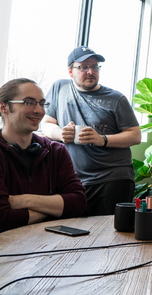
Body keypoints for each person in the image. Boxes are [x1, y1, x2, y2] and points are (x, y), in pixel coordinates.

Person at [41, 46, 141, 216]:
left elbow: (135, 135)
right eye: (83, 67)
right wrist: (61, 134)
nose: (90, 72)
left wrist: (102, 139)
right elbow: (47, 123)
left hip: (112, 178)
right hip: (74, 180)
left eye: (95, 67)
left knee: (107, 234)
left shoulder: (116, 99)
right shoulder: (59, 88)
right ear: (70, 71)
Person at [0, 79, 87, 238]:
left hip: (47, 247)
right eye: (29, 102)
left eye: (42, 103)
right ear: (3, 106)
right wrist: (53, 209)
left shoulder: (56, 151)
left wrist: (24, 201)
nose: (39, 110)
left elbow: (78, 203)